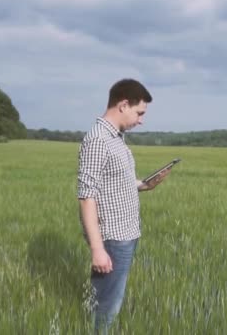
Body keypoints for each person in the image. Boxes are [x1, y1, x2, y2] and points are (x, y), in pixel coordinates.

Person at [77, 78, 170, 333]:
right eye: (139, 112)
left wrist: (144, 185)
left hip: (127, 233)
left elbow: (115, 182)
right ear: (123, 105)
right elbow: (87, 195)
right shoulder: (98, 139)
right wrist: (97, 249)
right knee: (106, 307)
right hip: (113, 238)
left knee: (107, 302)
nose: (141, 120)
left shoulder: (116, 138)